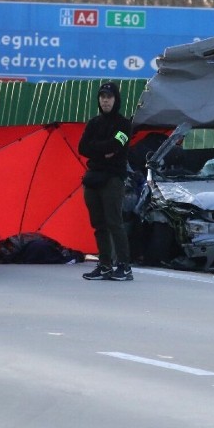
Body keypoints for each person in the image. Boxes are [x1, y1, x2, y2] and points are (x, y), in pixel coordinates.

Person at [78, 81, 134, 281]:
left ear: (115, 99)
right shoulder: (94, 123)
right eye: (102, 97)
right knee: (98, 224)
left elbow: (117, 144)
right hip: (93, 179)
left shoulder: (124, 124)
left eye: (109, 97)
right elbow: (83, 148)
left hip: (113, 178)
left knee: (114, 222)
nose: (105, 100)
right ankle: (104, 265)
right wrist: (104, 151)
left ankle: (124, 266)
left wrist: (98, 148)